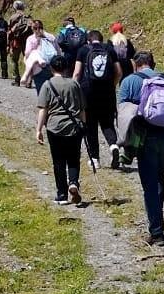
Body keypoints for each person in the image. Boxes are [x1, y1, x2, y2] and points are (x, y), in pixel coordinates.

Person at [119, 51, 164, 245]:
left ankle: (156, 232)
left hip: (145, 138)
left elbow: (122, 113)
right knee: (159, 177)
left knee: (149, 183)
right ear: (153, 64)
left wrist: (126, 142)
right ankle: (158, 222)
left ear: (135, 64)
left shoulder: (129, 81)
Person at [36, 53, 85, 206]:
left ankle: (62, 194)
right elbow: (82, 108)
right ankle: (73, 182)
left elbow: (43, 109)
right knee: (74, 158)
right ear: (66, 68)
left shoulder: (47, 85)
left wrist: (38, 129)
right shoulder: (74, 84)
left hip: (54, 127)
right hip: (74, 127)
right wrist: (83, 125)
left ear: (51, 68)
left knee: (58, 161)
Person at [74, 29, 121, 170]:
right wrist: (112, 85)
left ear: (88, 40)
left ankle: (95, 159)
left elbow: (77, 73)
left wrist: (75, 91)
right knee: (107, 123)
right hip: (107, 93)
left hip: (88, 93)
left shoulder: (83, 50)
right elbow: (119, 72)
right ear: (101, 39)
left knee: (90, 125)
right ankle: (113, 145)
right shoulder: (110, 50)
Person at [21, 20, 60, 92]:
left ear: (32, 28)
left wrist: (27, 60)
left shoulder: (31, 38)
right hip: (52, 66)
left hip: (38, 68)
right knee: (52, 90)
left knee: (41, 90)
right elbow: (58, 52)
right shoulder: (51, 37)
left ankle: (26, 75)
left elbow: (27, 53)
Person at [8, 1, 33, 86]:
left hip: (16, 42)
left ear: (15, 7)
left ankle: (17, 79)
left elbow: (10, 31)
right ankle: (29, 81)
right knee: (28, 60)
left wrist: (8, 44)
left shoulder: (13, 17)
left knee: (14, 60)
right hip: (27, 42)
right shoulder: (28, 17)